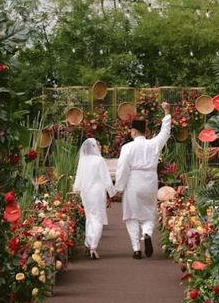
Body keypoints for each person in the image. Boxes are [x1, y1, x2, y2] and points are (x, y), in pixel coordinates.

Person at [114, 102, 171, 259]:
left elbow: (123, 168)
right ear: (144, 132)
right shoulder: (153, 144)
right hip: (150, 181)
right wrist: (167, 111)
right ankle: (147, 233)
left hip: (134, 182)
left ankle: (136, 249)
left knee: (131, 216)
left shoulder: (127, 148)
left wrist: (119, 187)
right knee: (148, 212)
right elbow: (165, 133)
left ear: (133, 132)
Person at [73, 138, 116, 260]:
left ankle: (88, 242)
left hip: (85, 192)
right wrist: (112, 192)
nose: (100, 147)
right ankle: (93, 245)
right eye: (98, 145)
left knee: (89, 217)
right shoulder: (99, 160)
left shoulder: (83, 160)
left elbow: (79, 177)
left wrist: (76, 189)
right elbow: (106, 178)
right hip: (97, 192)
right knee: (98, 218)